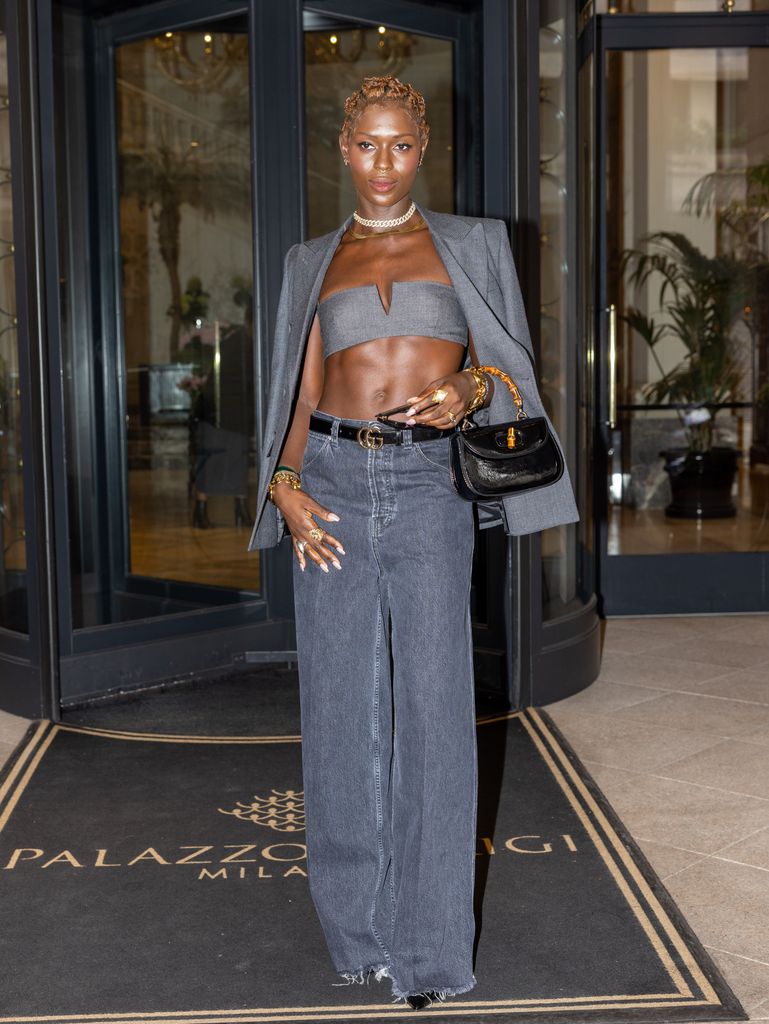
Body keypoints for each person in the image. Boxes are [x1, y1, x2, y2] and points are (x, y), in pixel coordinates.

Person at [247, 75, 578, 1009]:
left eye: (399, 145)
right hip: (336, 486)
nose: (382, 164)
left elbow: (505, 364)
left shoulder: (470, 243)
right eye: (365, 145)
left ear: (421, 147)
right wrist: (285, 487)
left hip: (431, 485)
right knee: (343, 713)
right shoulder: (310, 259)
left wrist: (470, 391)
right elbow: (296, 393)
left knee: (434, 715)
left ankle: (429, 954)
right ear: (340, 148)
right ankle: (357, 935)